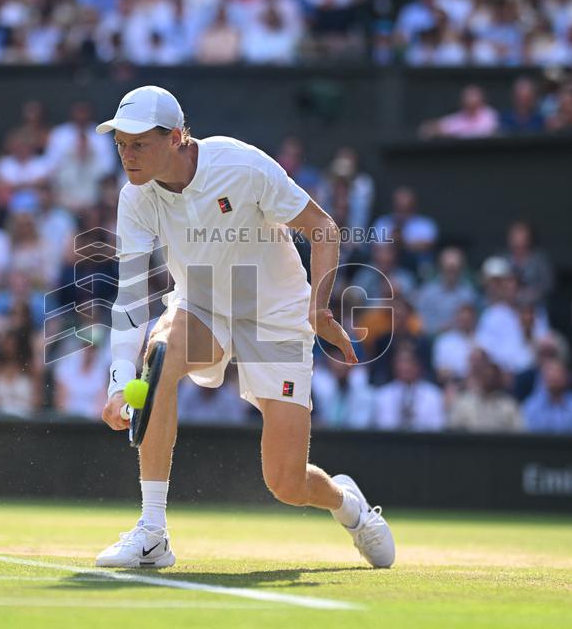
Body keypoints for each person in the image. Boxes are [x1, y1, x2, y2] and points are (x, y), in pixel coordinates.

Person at [94, 86, 394, 569]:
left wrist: (318, 311)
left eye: (139, 144)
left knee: (286, 482)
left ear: (175, 137)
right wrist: (116, 380)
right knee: (161, 358)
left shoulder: (242, 165)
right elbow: (130, 295)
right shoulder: (135, 197)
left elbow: (323, 229)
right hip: (203, 303)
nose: (127, 156)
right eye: (121, 145)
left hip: (275, 311)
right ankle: (153, 533)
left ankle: (348, 506)